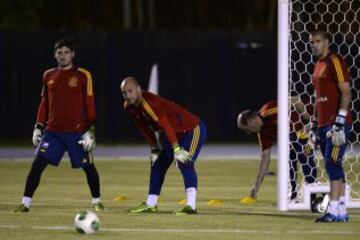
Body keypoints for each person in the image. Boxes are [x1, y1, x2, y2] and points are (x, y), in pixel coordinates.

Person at [14, 39, 104, 212]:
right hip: (53, 132)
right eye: (59, 53)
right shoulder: (48, 75)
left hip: (77, 132)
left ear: (73, 54)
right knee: (37, 165)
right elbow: (44, 104)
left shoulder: (83, 75)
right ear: (55, 55)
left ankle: (96, 201)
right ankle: (25, 203)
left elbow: (90, 103)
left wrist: (91, 129)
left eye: (66, 52)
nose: (63, 56)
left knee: (89, 167)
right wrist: (38, 126)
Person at [120, 77, 207, 215]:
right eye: (124, 93)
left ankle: (191, 205)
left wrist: (177, 149)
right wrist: (154, 148)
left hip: (191, 129)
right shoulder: (128, 106)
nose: (127, 96)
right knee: (158, 164)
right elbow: (143, 128)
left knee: (184, 162)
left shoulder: (150, 103)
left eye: (130, 91)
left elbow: (165, 125)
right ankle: (151, 204)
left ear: (138, 89)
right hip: (173, 133)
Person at [237, 99, 317, 204]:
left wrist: (309, 121)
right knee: (289, 162)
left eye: (246, 129)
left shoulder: (268, 111)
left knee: (304, 157)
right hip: (293, 139)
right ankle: (293, 196)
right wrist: (255, 187)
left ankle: (312, 196)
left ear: (250, 121)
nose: (248, 133)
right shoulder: (263, 132)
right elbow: (265, 157)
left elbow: (294, 100)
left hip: (308, 129)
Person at [309, 30, 352, 223]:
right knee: (335, 165)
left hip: (336, 124)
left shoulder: (336, 61)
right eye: (312, 42)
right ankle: (341, 211)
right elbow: (318, 98)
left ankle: (333, 210)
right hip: (323, 124)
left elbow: (346, 92)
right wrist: (314, 123)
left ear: (327, 42)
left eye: (318, 41)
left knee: (332, 163)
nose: (314, 45)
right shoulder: (318, 65)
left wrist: (340, 122)